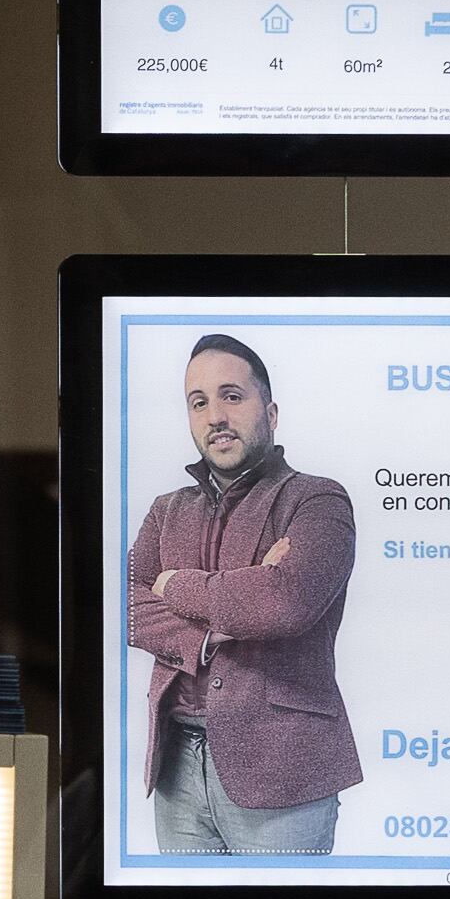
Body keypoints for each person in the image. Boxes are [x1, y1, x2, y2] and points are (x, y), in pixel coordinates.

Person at [125, 332, 360, 854]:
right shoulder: (167, 509)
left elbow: (284, 603)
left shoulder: (317, 500)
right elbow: (126, 606)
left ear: (270, 412)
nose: (215, 416)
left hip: (285, 766)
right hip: (177, 766)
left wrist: (174, 585)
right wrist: (218, 624)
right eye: (199, 402)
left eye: (232, 396)